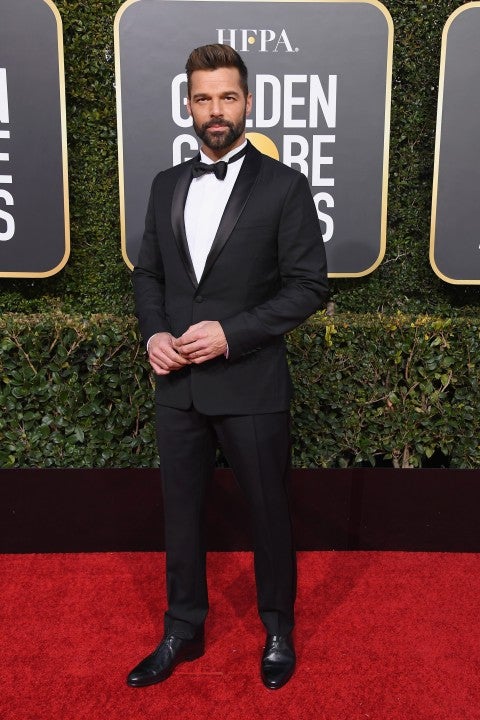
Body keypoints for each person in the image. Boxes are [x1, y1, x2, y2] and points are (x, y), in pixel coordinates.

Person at [127, 43, 329, 690]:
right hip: (178, 387)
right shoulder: (165, 185)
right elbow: (149, 274)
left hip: (251, 383)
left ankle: (278, 629)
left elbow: (309, 286)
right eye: (203, 98)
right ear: (188, 105)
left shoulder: (285, 186)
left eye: (227, 97)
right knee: (181, 517)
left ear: (247, 102)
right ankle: (182, 628)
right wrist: (154, 333)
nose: (216, 110)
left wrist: (230, 335)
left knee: (269, 513)